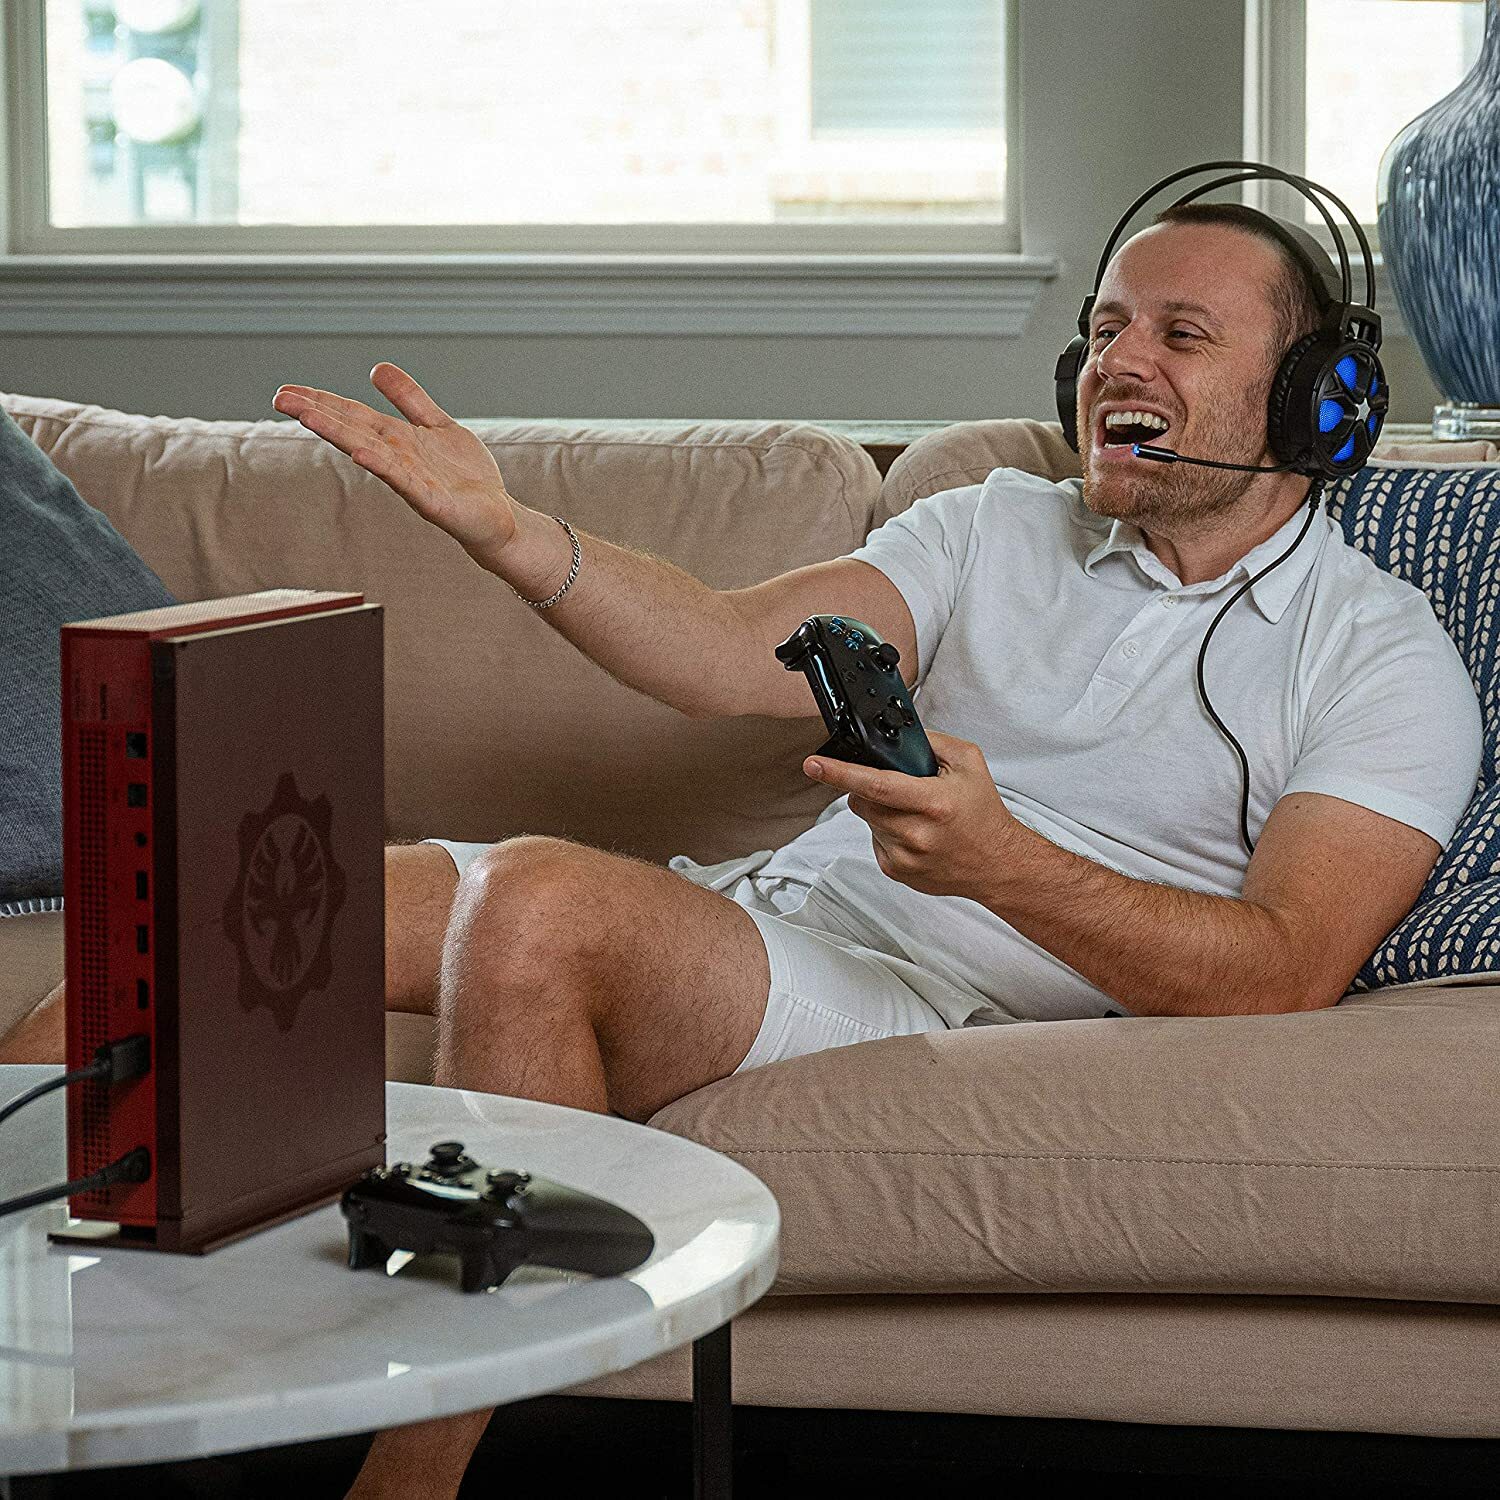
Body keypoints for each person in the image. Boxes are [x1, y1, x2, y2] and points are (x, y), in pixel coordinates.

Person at [2, 198, 1481, 1500]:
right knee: (170, 935)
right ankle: (59, 1421)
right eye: (1104, 328)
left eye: (1181, 334)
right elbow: (723, 645)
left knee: (538, 903)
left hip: (946, 999)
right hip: (764, 925)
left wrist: (1002, 863)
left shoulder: (1377, 655)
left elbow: (1282, 968)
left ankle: (408, 1481)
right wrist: (508, 531)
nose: (1118, 364)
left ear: (1318, 398)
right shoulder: (994, 526)